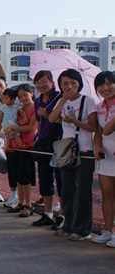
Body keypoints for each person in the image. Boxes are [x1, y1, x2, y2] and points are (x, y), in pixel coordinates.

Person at [49, 69, 98, 241]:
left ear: (79, 83)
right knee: (67, 189)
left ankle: (83, 229)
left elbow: (93, 127)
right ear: (60, 86)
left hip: (84, 151)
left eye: (73, 83)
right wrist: (63, 98)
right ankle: (69, 225)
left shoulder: (88, 101)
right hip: (66, 150)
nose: (69, 86)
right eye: (65, 83)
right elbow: (51, 118)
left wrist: (76, 122)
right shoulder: (61, 101)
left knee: (83, 191)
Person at [30, 71, 64, 228]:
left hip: (59, 141)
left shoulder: (60, 97)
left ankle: (63, 215)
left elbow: (65, 120)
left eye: (44, 81)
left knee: (61, 180)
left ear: (52, 82)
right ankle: (48, 214)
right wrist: (38, 137)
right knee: (44, 179)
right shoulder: (37, 100)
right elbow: (38, 122)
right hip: (44, 142)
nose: (41, 85)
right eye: (38, 83)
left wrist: (48, 113)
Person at [4, 85, 37, 217]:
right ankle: (21, 201)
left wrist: (12, 127)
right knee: (17, 176)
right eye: (20, 96)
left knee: (25, 177)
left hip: (27, 146)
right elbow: (9, 122)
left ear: (32, 93)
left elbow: (30, 128)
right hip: (14, 146)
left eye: (25, 94)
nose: (23, 98)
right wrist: (9, 129)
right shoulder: (19, 108)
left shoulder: (35, 109)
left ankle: (28, 204)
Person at [93, 71, 115, 247]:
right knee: (107, 195)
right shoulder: (99, 106)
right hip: (105, 157)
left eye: (109, 83)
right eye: (101, 85)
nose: (105, 88)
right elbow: (100, 132)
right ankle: (109, 231)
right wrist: (97, 146)